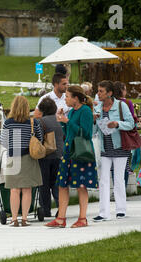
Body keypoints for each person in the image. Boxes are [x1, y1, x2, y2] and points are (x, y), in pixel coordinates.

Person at [45, 85, 98, 228]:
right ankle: (60, 218)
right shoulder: (72, 112)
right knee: (62, 185)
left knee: (81, 185)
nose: (65, 99)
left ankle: (82, 218)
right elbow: (69, 132)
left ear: (76, 98)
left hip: (80, 153)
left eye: (67, 96)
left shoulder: (85, 111)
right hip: (68, 152)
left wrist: (68, 121)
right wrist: (62, 121)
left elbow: (86, 134)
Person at [93, 80, 134, 222]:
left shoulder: (121, 105)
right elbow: (93, 132)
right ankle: (103, 212)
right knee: (103, 180)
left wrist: (117, 124)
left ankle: (121, 210)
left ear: (109, 93)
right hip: (105, 148)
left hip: (120, 147)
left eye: (101, 91)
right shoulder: (97, 108)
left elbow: (131, 124)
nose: (98, 94)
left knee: (118, 179)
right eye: (98, 91)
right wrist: (93, 121)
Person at [0, 96, 42, 227]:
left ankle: (14, 219)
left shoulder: (8, 122)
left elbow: (4, 142)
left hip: (13, 158)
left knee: (14, 190)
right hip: (28, 158)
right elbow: (39, 139)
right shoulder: (33, 122)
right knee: (27, 189)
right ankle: (25, 218)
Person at [35, 97, 63, 218]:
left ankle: (46, 209)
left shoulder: (40, 121)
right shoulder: (60, 120)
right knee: (57, 184)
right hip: (59, 155)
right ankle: (61, 207)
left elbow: (38, 139)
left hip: (45, 156)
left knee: (44, 184)